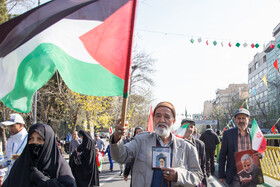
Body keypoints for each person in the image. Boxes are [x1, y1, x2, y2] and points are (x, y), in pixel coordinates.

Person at [110, 101, 203, 187]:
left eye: (167, 117)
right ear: (153, 119)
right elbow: (120, 157)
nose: (162, 120)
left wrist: (177, 176)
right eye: (158, 116)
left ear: (173, 121)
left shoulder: (187, 147)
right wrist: (117, 137)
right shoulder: (140, 140)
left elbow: (197, 175)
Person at [2, 123, 76, 187]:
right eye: (31, 138)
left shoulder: (59, 165)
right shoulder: (20, 163)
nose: (35, 142)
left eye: (39, 139)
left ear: (48, 142)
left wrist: (43, 180)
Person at [218, 108, 262, 187]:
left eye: (243, 118)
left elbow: (261, 150)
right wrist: (221, 174)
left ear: (248, 119)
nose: (241, 120)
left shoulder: (255, 133)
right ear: (235, 119)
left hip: (251, 173)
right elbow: (222, 155)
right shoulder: (228, 134)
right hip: (234, 174)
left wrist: (260, 154)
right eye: (238, 118)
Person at [0, 113, 28, 179]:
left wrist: (21, 156)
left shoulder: (29, 138)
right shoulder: (10, 140)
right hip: (10, 176)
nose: (10, 128)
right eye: (9, 126)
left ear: (21, 125)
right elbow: (8, 160)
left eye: (12, 126)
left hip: (23, 177)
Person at [181, 118, 208, 187]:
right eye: (186, 126)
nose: (189, 129)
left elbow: (203, 166)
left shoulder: (200, 144)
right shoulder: (175, 143)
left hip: (195, 182)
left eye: (191, 127)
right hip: (180, 181)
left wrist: (204, 182)